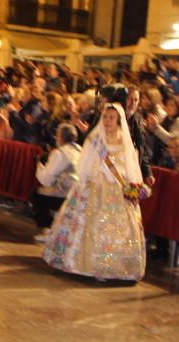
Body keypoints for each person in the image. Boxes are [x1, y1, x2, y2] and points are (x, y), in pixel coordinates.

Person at [42, 103, 146, 283]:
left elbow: (130, 165)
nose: (107, 121)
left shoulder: (125, 141)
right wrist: (87, 179)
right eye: (105, 117)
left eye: (111, 117)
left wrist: (131, 186)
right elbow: (85, 163)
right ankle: (84, 263)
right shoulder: (95, 138)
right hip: (95, 184)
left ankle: (113, 267)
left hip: (117, 188)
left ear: (119, 120)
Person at [32, 122, 81, 240]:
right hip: (77, 194)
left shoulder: (60, 153)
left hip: (63, 194)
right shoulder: (80, 150)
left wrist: (39, 165)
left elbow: (46, 180)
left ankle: (49, 228)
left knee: (36, 194)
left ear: (61, 137)